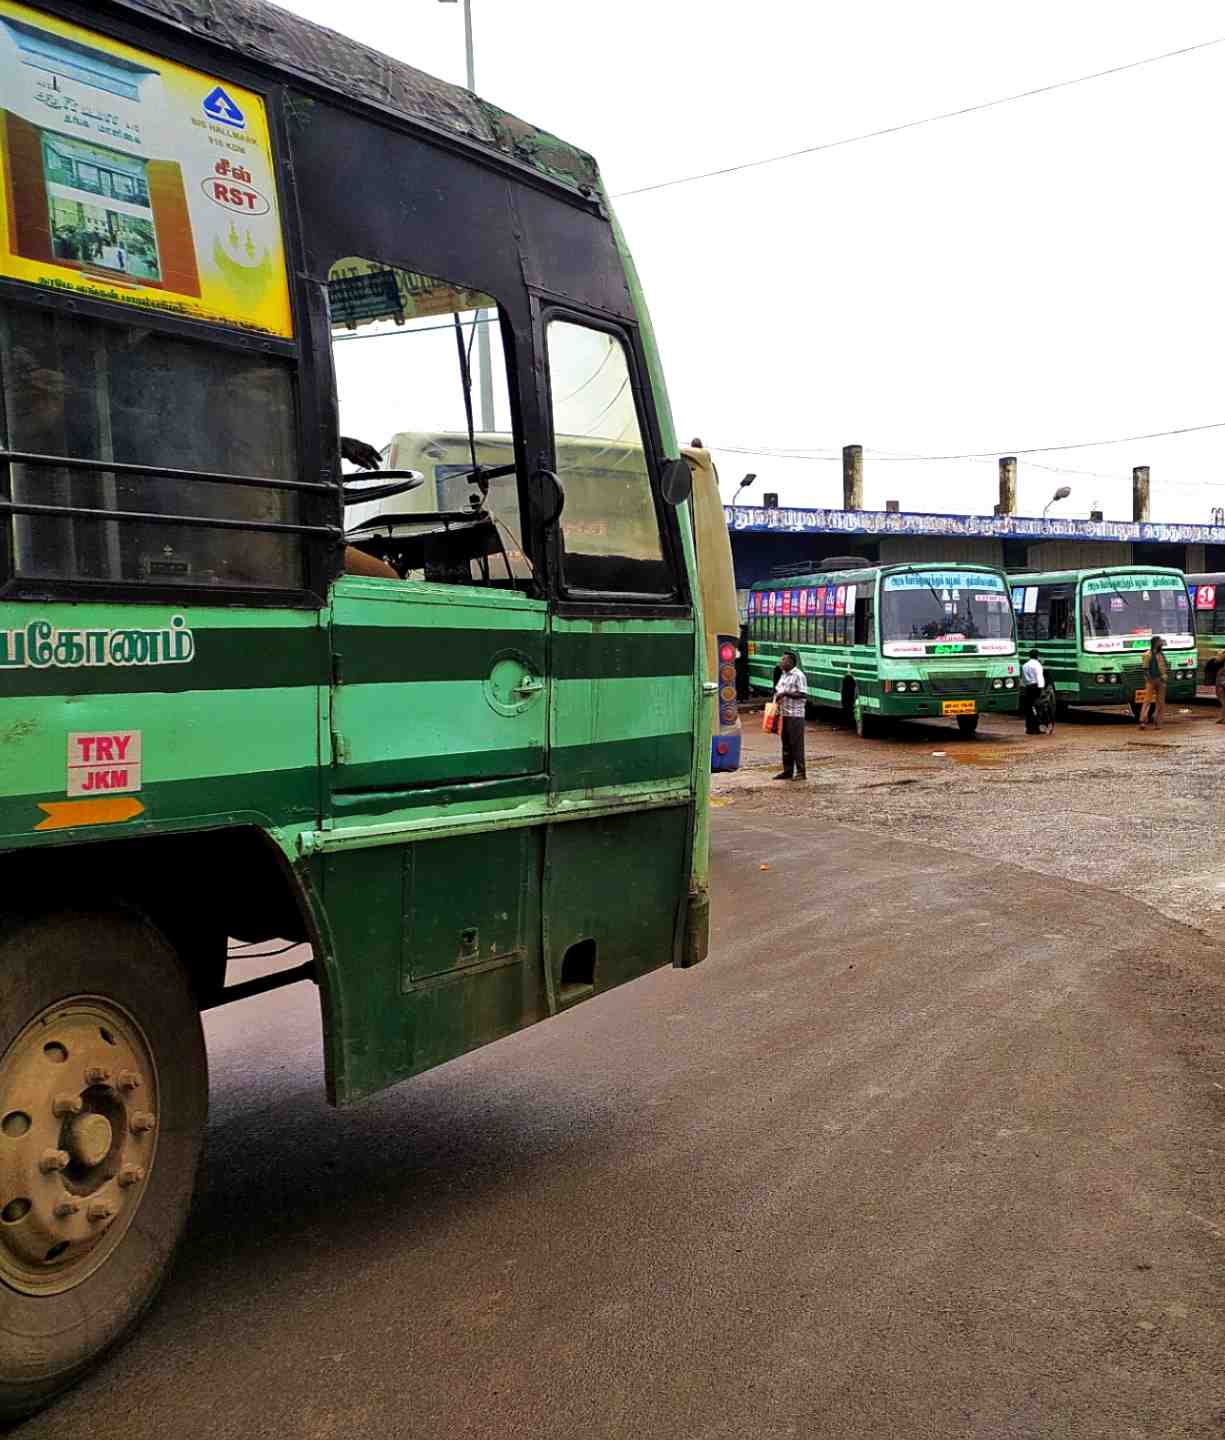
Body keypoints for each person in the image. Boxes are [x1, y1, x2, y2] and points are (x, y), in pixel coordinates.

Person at [772, 650, 808, 780]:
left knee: (796, 744)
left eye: (783, 660)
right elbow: (778, 691)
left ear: (791, 662)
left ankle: (801, 772)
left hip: (795, 715)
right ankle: (787, 771)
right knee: (786, 744)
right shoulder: (783, 675)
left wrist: (786, 694)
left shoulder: (798, 675)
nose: (781, 662)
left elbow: (803, 694)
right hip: (784, 714)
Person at [1138, 635, 1169, 729]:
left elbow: (1165, 666)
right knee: (1147, 701)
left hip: (1161, 680)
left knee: (1160, 702)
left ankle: (1157, 722)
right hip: (1152, 681)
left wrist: (1164, 677)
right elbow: (1145, 669)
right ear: (1156, 643)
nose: (1162, 643)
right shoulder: (1148, 655)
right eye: (1160, 641)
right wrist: (1149, 679)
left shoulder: (1161, 654)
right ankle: (1143, 721)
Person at [1021, 646, 1045, 735]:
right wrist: (1041, 689)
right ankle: (1036, 728)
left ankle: (1028, 728)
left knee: (1029, 709)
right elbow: (1040, 677)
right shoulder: (1038, 665)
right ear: (1037, 656)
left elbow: (1023, 679)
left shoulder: (1025, 665)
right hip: (1036, 688)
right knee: (1037, 708)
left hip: (1028, 688)